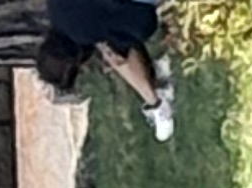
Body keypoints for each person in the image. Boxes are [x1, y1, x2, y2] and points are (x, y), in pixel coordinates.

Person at [33, 0, 177, 134]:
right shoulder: (54, 8)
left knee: (117, 55)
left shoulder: (84, 34)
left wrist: (117, 47)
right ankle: (156, 104)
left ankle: (157, 104)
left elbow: (143, 24)